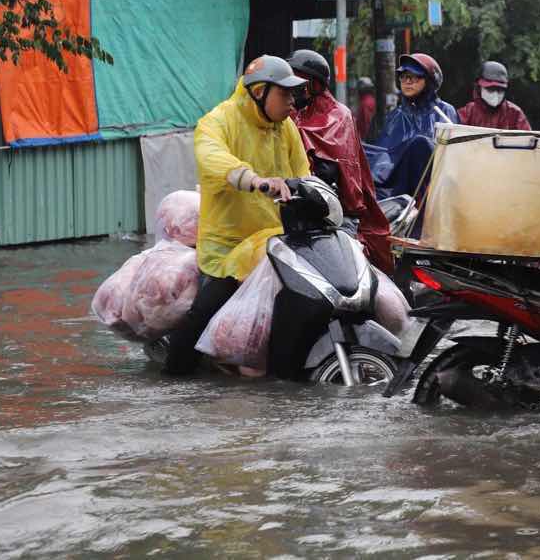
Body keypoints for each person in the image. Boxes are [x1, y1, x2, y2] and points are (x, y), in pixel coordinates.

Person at [163, 55, 311, 375]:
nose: (292, 102)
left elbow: (303, 175)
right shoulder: (217, 121)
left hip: (274, 242)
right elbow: (213, 157)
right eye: (284, 94)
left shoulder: (286, 129)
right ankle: (173, 380)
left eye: (293, 94)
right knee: (201, 314)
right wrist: (253, 180)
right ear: (259, 92)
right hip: (228, 247)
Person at [287, 50, 393, 273]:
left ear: (315, 84)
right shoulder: (287, 112)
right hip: (292, 206)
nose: (292, 86)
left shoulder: (339, 115)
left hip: (338, 211)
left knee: (349, 269)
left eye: (299, 80)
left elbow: (344, 172)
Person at [366, 52, 457, 198]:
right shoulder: (394, 116)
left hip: (434, 191)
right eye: (403, 76)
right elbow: (381, 155)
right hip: (397, 193)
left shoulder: (445, 112)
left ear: (429, 80)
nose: (407, 81)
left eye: (414, 77)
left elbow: (453, 158)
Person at [457, 60, 531, 130]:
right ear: (479, 88)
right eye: (490, 89)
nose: (495, 95)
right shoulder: (468, 112)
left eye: (500, 90)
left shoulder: (515, 114)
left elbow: (529, 140)